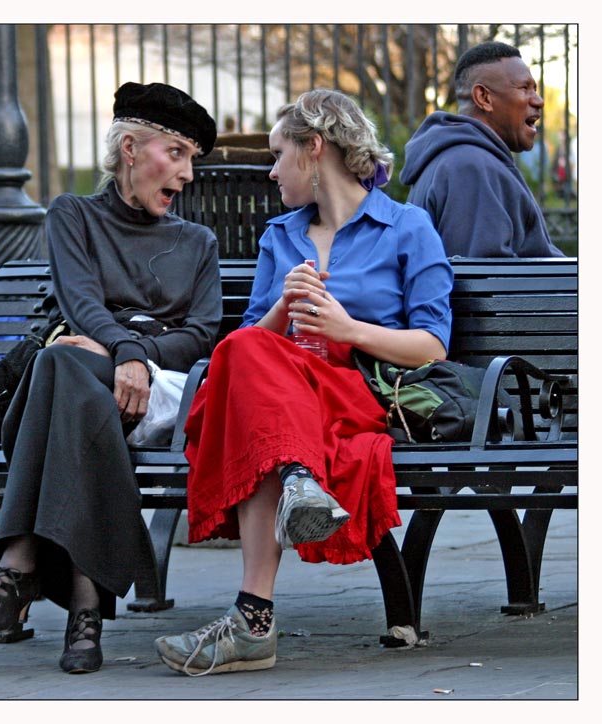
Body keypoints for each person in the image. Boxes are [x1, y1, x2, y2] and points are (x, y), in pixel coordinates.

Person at [153, 88, 454, 676]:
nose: (269, 170)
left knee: (257, 403)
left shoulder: (407, 227)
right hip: (282, 398)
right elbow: (245, 345)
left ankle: (252, 623)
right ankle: (297, 482)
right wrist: (281, 311)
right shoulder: (279, 235)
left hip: (360, 393)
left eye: (278, 154)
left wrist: (347, 326)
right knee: (248, 357)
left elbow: (433, 346)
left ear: (314, 149)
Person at [0, 81, 222, 674]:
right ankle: (85, 608)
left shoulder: (197, 242)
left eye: (191, 162)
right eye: (175, 155)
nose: (187, 176)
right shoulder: (71, 215)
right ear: (131, 148)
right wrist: (121, 350)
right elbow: (81, 303)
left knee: (64, 362)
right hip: (92, 386)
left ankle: (18, 566)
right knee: (66, 365)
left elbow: (203, 336)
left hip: (159, 393)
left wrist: (131, 355)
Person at [400, 41, 564, 258]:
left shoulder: (463, 160)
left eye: (535, 89)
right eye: (524, 88)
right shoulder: (470, 168)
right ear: (484, 98)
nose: (539, 101)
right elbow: (483, 284)